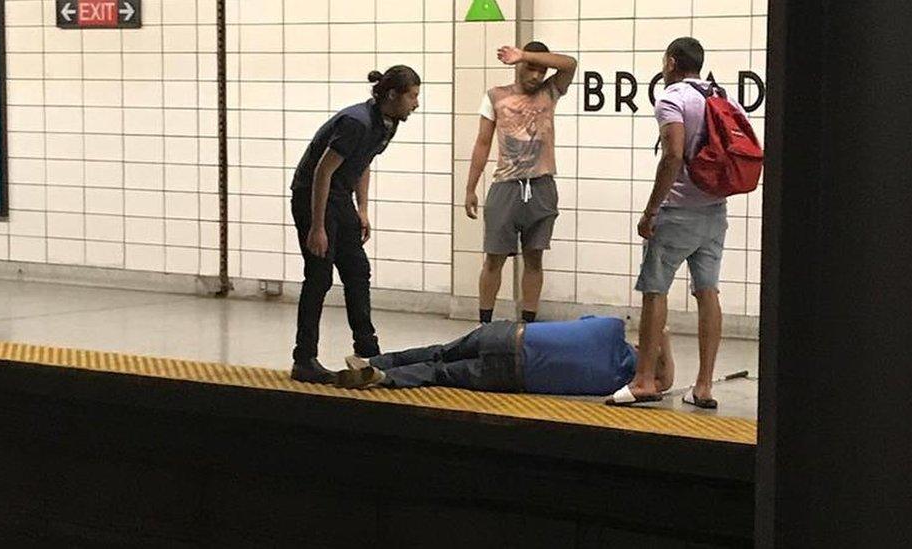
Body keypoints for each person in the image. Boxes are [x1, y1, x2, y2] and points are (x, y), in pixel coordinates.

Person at [615, 38, 747, 408]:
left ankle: (643, 380)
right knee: (708, 291)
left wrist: (650, 211)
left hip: (676, 213)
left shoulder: (673, 98)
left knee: (655, 291)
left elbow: (672, 154)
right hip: (715, 210)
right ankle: (703, 386)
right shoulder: (722, 96)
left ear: (672, 62)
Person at [289, 66, 420, 383]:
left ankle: (368, 352)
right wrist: (317, 227)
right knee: (319, 276)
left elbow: (363, 162)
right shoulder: (356, 122)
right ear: (392, 95)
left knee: (357, 270)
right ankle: (304, 359)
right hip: (313, 196)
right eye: (413, 96)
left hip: (340, 196)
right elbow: (322, 172)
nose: (416, 104)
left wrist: (362, 209)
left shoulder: (386, 123)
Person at [464, 42, 578, 325]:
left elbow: (570, 63)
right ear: (517, 67)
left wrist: (526, 55)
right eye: (530, 69)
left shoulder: (550, 91)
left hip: (541, 184)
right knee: (494, 258)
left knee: (534, 257)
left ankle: (528, 322)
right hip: (506, 184)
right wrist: (470, 187)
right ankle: (485, 323)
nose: (536, 75)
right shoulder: (496, 96)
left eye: (542, 70)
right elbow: (482, 142)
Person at [335, 316, 675, 401]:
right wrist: (667, 344)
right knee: (439, 373)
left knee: (438, 351)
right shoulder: (614, 383)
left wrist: (660, 333)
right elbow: (666, 382)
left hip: (507, 334)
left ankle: (376, 362)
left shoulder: (610, 327)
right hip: (510, 374)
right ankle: (383, 379)